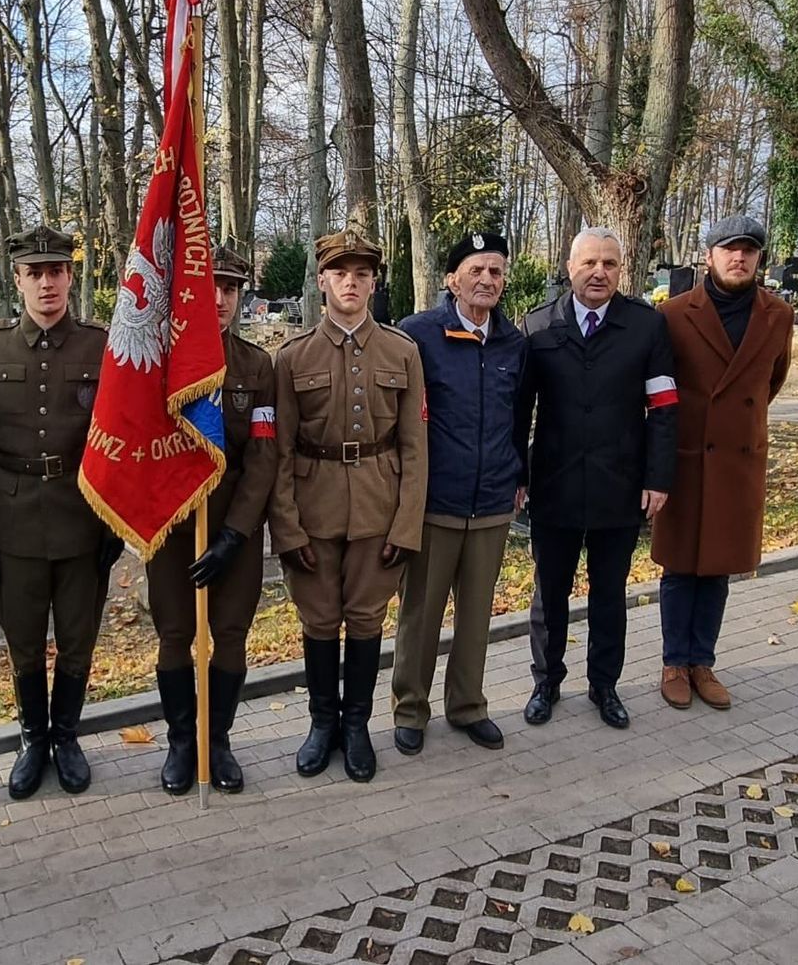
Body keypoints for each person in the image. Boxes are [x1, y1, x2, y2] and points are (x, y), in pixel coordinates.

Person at [0, 225, 123, 800]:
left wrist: (113, 523)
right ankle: (34, 740)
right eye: (35, 273)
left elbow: (118, 439)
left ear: (71, 276)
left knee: (78, 638)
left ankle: (67, 737)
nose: (47, 283)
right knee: (25, 640)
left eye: (56, 271)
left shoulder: (100, 346)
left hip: (82, 515)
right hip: (14, 521)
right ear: (18, 280)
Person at [270, 228, 427, 782]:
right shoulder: (291, 358)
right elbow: (280, 452)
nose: (351, 283)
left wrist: (407, 525)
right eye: (341, 273)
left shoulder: (402, 351)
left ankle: (356, 725)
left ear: (374, 281)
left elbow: (414, 446)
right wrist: (286, 531)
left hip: (379, 512)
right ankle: (322, 725)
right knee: (318, 621)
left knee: (365, 621)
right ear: (322, 281)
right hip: (313, 514)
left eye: (362, 273)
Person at [515, 226, 677, 730]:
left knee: (610, 592)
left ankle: (604, 685)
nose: (599, 272)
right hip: (555, 483)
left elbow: (665, 408)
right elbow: (519, 412)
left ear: (620, 270)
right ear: (570, 268)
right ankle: (547, 681)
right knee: (550, 592)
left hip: (619, 482)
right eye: (589, 263)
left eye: (609, 263)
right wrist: (518, 474)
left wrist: (658, 477)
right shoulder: (538, 326)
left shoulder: (646, 328)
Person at [145, 246, 276, 795]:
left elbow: (264, 456)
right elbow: (140, 446)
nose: (219, 299)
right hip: (172, 528)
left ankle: (217, 740)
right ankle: (181, 742)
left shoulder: (256, 366)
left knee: (230, 636)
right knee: (175, 635)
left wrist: (233, 534)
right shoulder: (158, 363)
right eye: (209, 287)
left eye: (230, 289)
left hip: (233, 532)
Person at [391, 232, 525, 755]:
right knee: (420, 615)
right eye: (476, 270)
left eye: (496, 271)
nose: (487, 280)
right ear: (452, 278)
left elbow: (519, 418)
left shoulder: (514, 342)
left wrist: (520, 477)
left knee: (476, 614)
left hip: (492, 502)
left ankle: (468, 705)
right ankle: (410, 709)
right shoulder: (417, 336)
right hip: (435, 503)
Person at [651, 216, 793, 710]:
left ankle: (702, 662)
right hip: (688, 458)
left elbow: (770, 384)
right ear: (708, 256)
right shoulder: (673, 313)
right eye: (729, 249)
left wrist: (739, 431)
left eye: (748, 251)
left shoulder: (779, 315)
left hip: (738, 459)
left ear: (759, 259)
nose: (739, 257)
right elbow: (660, 389)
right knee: (679, 566)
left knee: (718, 567)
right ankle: (673, 662)